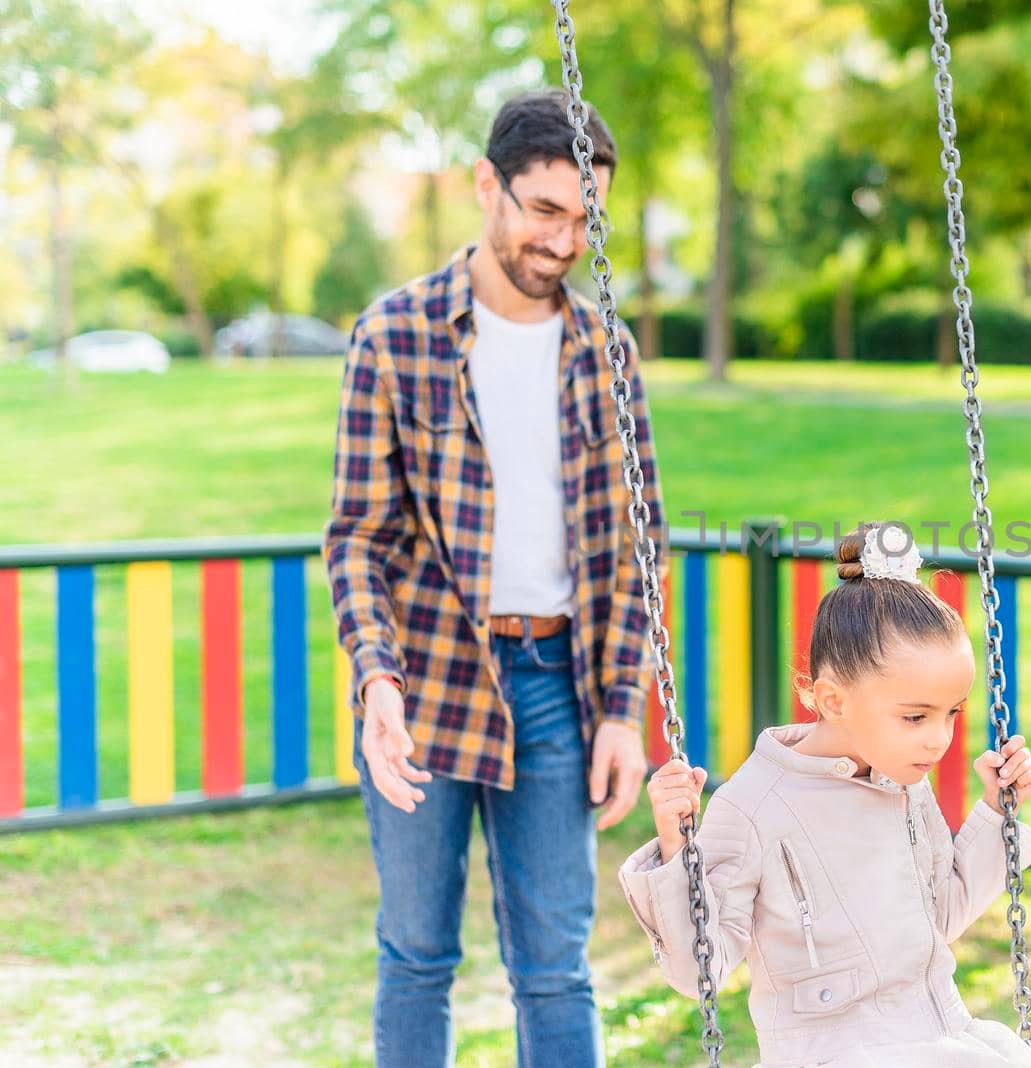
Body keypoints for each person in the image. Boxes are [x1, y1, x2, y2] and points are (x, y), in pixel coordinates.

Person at [323, 88, 661, 1068]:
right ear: (487, 185)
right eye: (544, 211)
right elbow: (356, 534)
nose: (563, 241)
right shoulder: (394, 336)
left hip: (557, 687)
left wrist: (622, 710)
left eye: (584, 220)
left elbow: (637, 547)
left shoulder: (606, 353)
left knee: (555, 964)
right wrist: (375, 680)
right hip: (424, 680)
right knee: (418, 954)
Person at [619, 523, 1031, 1067]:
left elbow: (938, 918)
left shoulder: (905, 784)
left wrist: (997, 812)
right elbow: (699, 972)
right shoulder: (754, 806)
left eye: (952, 713)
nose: (939, 738)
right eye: (915, 716)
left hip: (941, 1034)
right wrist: (673, 849)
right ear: (832, 700)